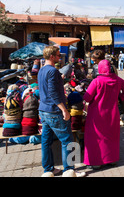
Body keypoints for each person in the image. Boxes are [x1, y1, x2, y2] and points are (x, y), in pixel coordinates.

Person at [38, 46, 86, 177]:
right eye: (59, 55)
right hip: (54, 110)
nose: (60, 58)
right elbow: (53, 93)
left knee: (46, 141)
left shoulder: (42, 70)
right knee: (69, 140)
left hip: (43, 110)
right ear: (52, 56)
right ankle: (70, 170)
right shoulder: (53, 71)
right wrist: (64, 109)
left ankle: (48, 169)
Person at [83, 60, 124, 170]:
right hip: (112, 113)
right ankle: (112, 159)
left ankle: (96, 162)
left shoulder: (96, 81)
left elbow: (87, 97)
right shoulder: (117, 79)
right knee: (111, 137)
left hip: (97, 114)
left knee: (96, 138)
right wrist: (120, 98)